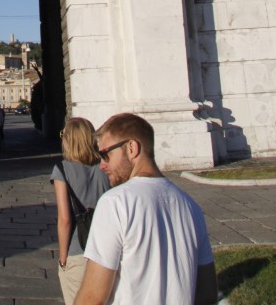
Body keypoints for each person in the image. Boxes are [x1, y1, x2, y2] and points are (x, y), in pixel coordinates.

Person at [74, 113, 218, 305]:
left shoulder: (115, 203)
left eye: (105, 154)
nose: (102, 165)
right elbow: (207, 293)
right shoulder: (190, 206)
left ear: (131, 148)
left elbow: (93, 297)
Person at [51, 118, 110, 305]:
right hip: (107, 249)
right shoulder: (106, 166)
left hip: (78, 249)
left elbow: (65, 219)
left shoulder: (62, 169)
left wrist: (62, 257)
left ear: (68, 139)